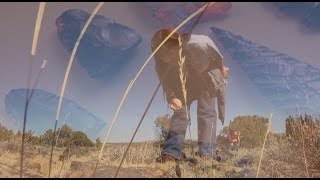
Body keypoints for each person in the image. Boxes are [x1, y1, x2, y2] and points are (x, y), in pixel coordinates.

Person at [151, 28, 229, 163]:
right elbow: (167, 84)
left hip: (206, 76)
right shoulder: (160, 65)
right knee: (180, 113)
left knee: (207, 112)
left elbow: (217, 56)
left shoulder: (199, 43)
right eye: (160, 53)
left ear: (176, 44)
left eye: (167, 51)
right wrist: (172, 98)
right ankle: (171, 153)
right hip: (183, 83)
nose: (165, 57)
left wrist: (222, 71)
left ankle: (207, 154)